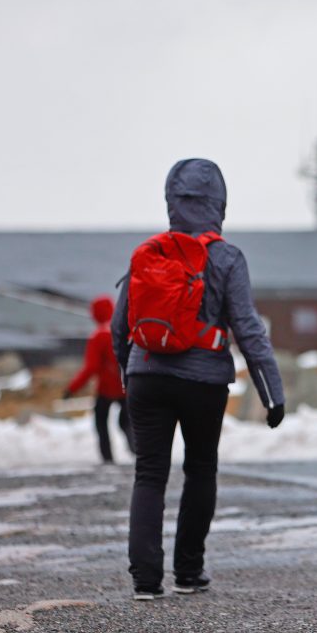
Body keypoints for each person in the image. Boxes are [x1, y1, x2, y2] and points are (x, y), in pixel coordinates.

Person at [113, 158, 286, 601]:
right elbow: (248, 327)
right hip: (203, 380)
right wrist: (272, 393)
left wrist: (128, 374)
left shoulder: (149, 253)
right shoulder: (226, 257)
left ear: (171, 200)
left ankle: (145, 580)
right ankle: (189, 572)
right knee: (200, 468)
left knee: (148, 474)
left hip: (147, 373)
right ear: (220, 205)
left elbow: (121, 325)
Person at [63, 295, 131, 464]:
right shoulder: (125, 330)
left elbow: (91, 368)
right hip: (127, 387)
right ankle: (137, 449)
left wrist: (72, 388)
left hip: (106, 389)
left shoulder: (98, 336)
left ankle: (107, 458)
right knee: (127, 422)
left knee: (101, 423)